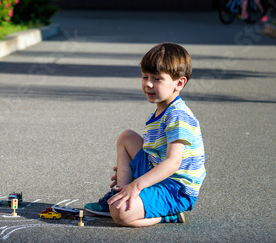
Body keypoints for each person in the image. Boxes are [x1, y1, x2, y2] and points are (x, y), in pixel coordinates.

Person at [84, 43, 206, 227]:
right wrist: (130, 172)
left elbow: (173, 163)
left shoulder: (178, 115)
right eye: (145, 77)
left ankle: (170, 214)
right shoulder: (159, 112)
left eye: (157, 79)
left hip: (175, 189)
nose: (148, 84)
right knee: (127, 137)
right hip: (156, 172)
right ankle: (119, 194)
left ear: (179, 83)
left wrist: (137, 184)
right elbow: (154, 152)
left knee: (121, 215)